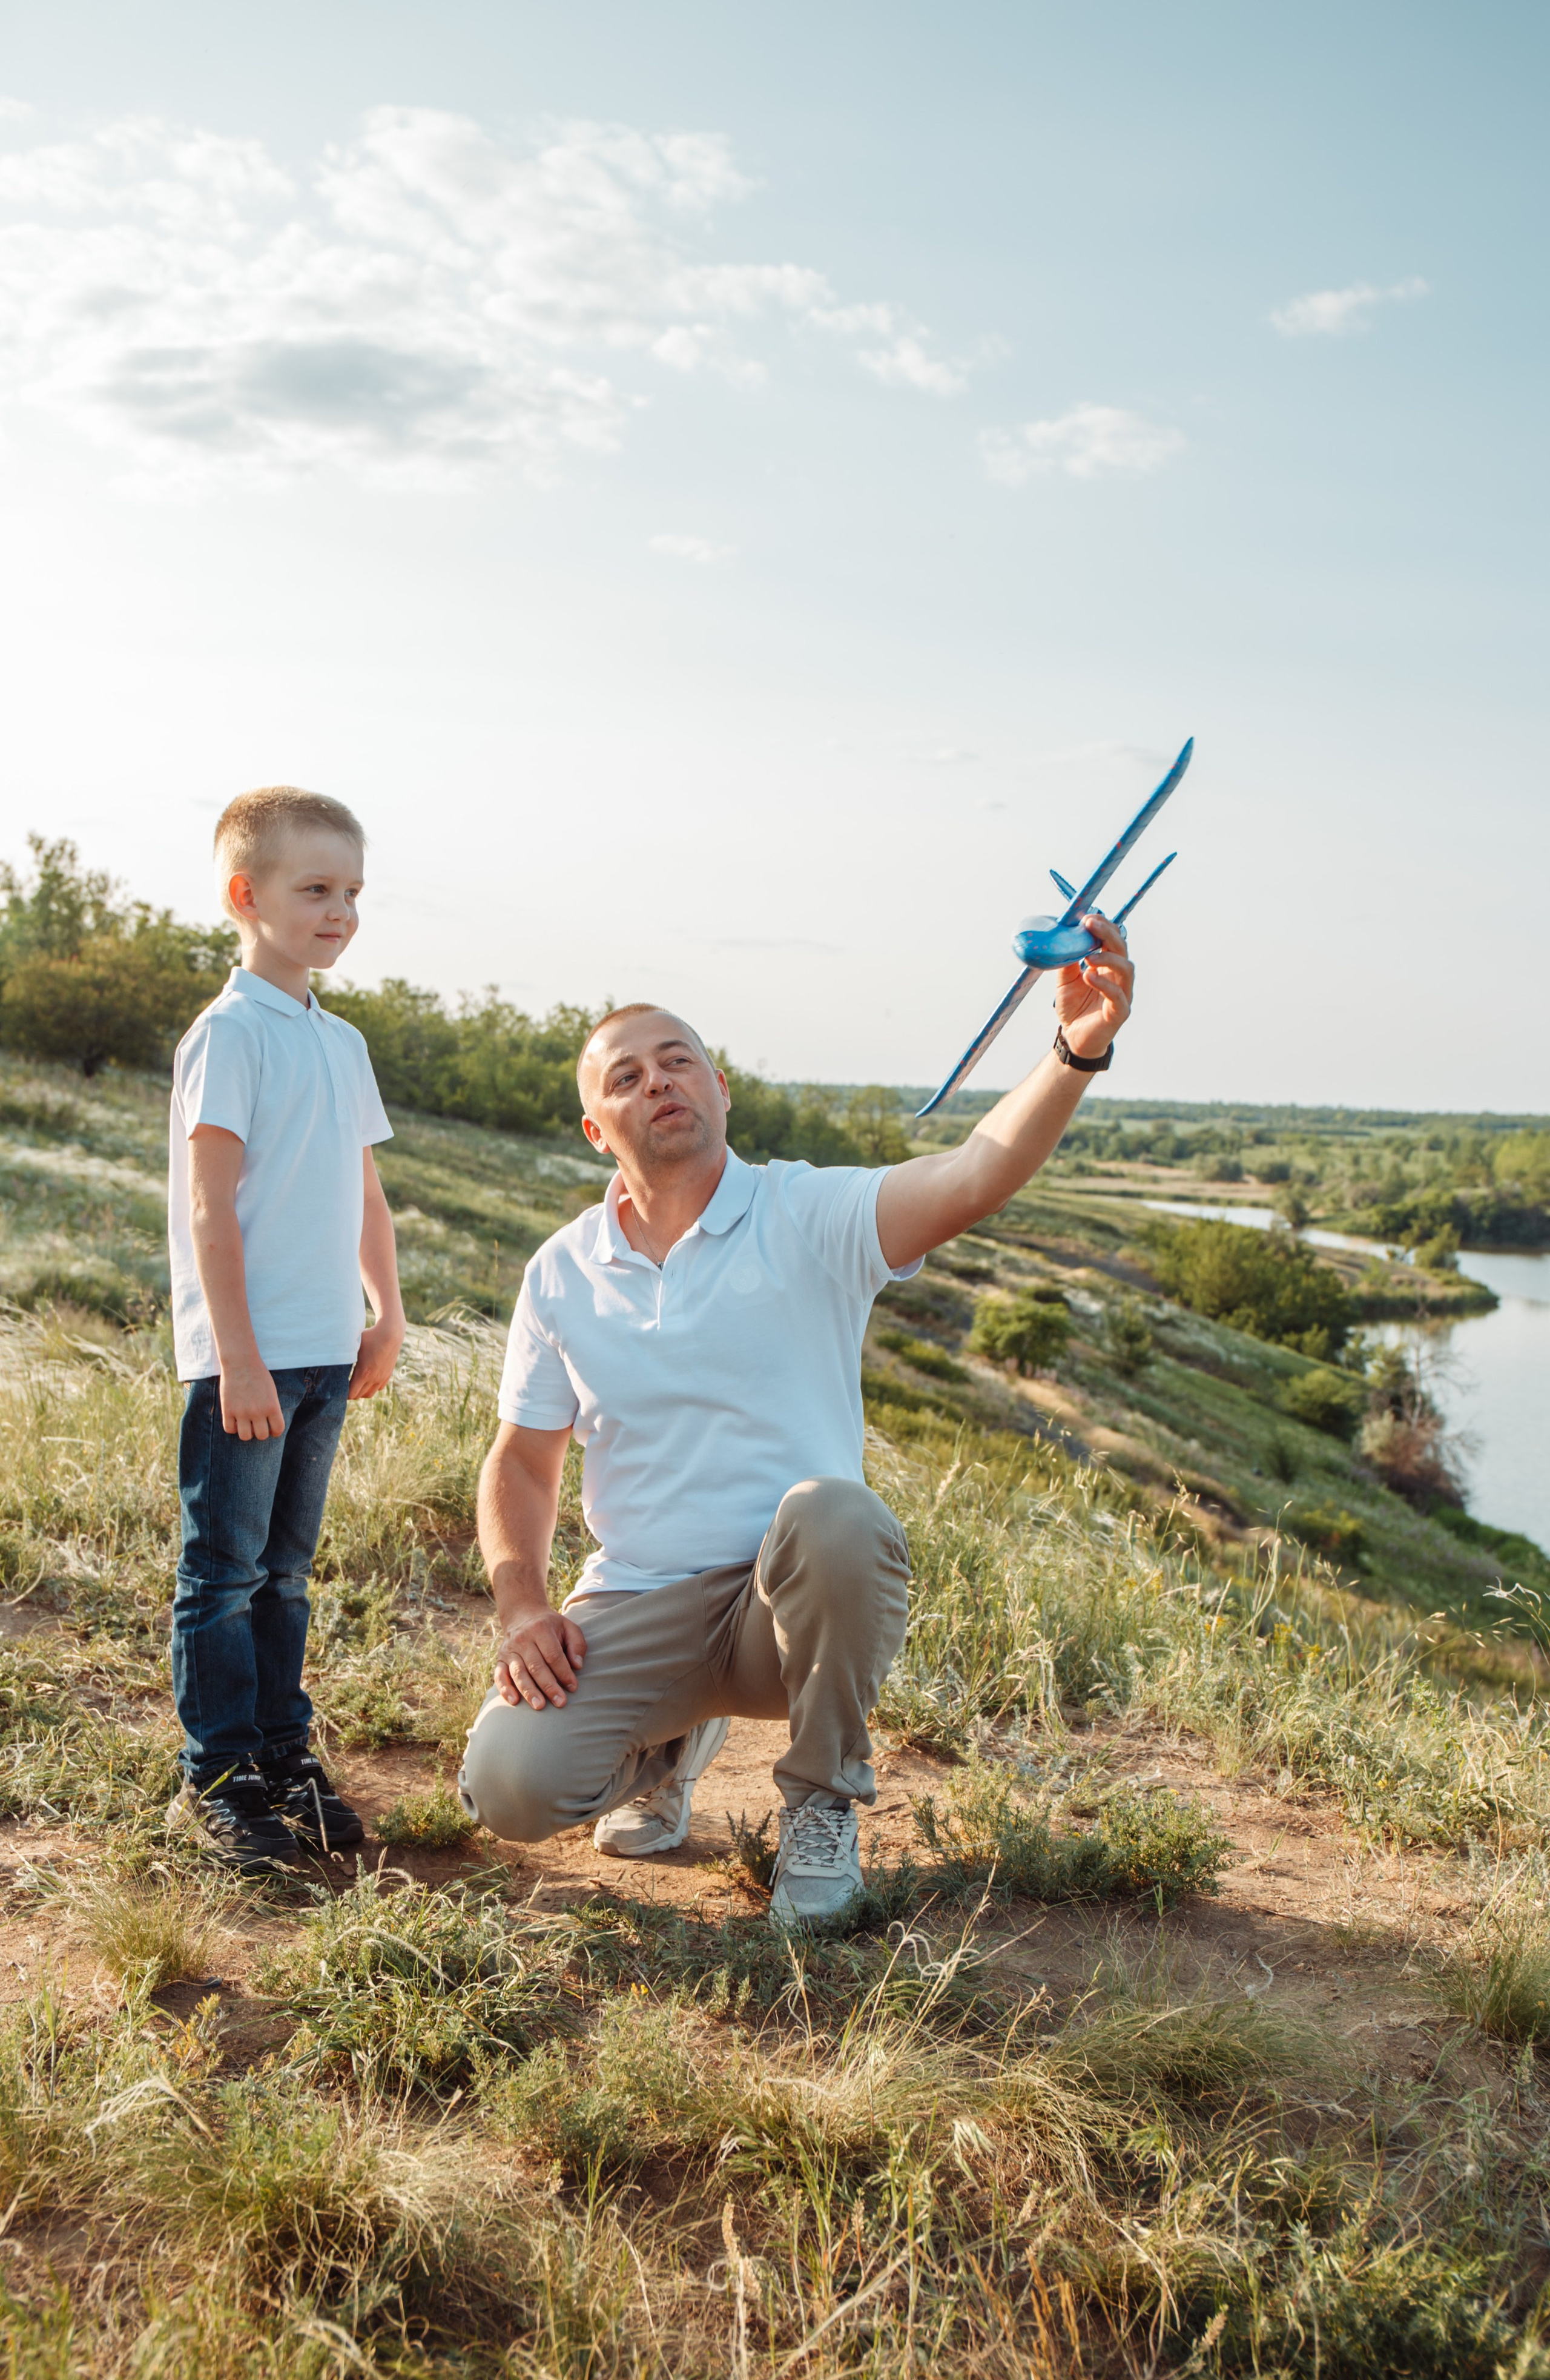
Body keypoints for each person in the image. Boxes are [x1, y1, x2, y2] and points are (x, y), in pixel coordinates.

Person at [458, 913, 1135, 1925]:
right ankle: (664, 1746)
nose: (660, 1083)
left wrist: (1076, 1047)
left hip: (790, 1608)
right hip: (639, 1599)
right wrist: (522, 1602)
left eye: (678, 1061)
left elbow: (972, 1173)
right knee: (507, 1788)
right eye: (628, 1077)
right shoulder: (560, 1270)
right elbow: (521, 1460)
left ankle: (821, 1804)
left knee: (835, 1513)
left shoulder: (809, 1213)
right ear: (599, 1129)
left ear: (719, 1090)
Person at [165, 787, 405, 1872]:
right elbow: (212, 1207)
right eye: (315, 889)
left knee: (289, 1571)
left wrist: (387, 1312)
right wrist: (240, 1358)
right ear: (243, 895)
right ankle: (218, 1774)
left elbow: (365, 1194)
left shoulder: (341, 1040)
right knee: (223, 1573)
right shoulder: (228, 1035)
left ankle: (281, 1751)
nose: (340, 911)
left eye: (351, 891)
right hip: (247, 1362)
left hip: (322, 1349)